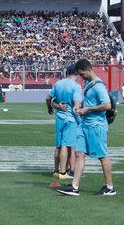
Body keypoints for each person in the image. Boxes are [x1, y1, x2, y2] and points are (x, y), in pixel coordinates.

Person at [57, 59, 115, 197]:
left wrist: (87, 109)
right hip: (85, 125)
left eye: (82, 74)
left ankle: (110, 187)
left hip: (96, 126)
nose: (81, 77)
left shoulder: (99, 86)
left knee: (102, 156)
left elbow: (107, 105)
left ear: (88, 70)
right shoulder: (89, 83)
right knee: (79, 154)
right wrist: (80, 105)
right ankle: (74, 187)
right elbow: (88, 101)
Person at [46, 64, 83, 180]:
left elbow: (48, 98)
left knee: (58, 145)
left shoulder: (58, 84)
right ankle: (64, 172)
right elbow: (77, 102)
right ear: (76, 73)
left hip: (59, 117)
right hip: (70, 118)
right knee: (67, 145)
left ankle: (56, 170)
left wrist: (52, 107)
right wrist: (79, 109)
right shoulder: (76, 86)